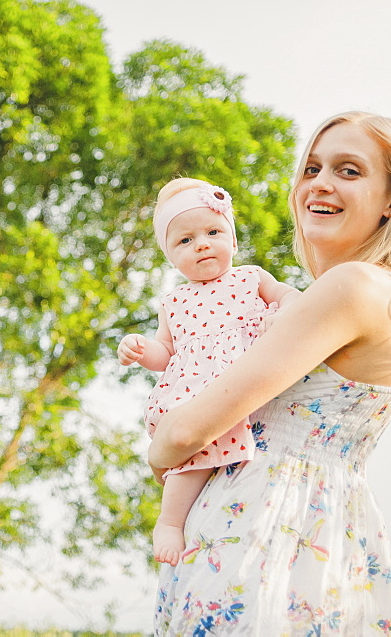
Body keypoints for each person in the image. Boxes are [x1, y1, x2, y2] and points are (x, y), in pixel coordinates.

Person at [146, 111, 391, 635]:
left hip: (261, 535)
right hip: (327, 537)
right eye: (312, 167)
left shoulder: (352, 286)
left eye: (349, 170)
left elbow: (185, 430)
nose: (321, 182)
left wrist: (160, 453)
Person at [117, 177, 300, 567]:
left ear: (232, 241)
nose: (201, 243)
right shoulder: (174, 301)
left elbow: (292, 296)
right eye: (184, 240)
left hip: (250, 383)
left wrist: (280, 313)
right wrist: (139, 348)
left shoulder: (251, 277)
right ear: (170, 256)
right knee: (192, 459)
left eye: (213, 232)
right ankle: (169, 522)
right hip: (197, 393)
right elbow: (165, 353)